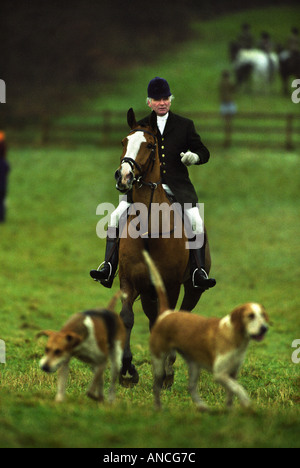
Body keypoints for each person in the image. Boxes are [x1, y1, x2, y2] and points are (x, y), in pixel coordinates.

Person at [90, 77, 216, 291]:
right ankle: (108, 268)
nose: (162, 102)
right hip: (142, 190)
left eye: (165, 98)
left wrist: (193, 157)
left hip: (178, 188)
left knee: (195, 220)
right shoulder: (140, 126)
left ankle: (198, 271)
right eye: (157, 99)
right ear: (149, 102)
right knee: (114, 216)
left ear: (170, 100)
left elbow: (204, 151)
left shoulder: (185, 125)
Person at [0, 132, 10, 223]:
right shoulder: (4, 162)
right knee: (1, 202)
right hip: (3, 186)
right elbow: (7, 169)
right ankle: (2, 218)